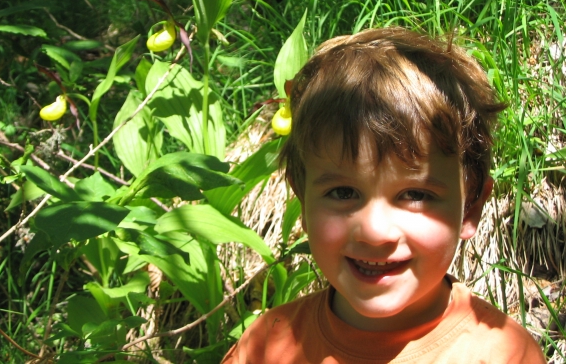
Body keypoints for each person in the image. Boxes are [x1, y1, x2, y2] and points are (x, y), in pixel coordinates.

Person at [222, 28, 546, 363]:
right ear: (303, 201)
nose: (375, 232)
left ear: (471, 206)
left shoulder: (504, 354)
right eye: (344, 192)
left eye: (416, 194)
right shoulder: (265, 346)